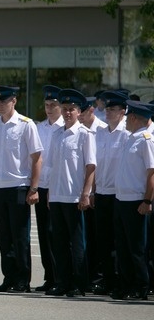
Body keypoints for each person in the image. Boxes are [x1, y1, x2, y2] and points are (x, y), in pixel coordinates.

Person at [0, 85, 43, 293]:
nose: (0, 105)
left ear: (14, 101)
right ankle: (8, 277)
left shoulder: (26, 125)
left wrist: (34, 187)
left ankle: (22, 279)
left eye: (4, 101)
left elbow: (37, 157)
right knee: (4, 236)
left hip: (18, 186)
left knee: (20, 237)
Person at [45, 89, 96, 297]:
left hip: (75, 196)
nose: (67, 113)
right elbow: (51, 166)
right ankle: (62, 282)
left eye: (72, 109)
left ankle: (78, 283)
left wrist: (86, 193)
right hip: (57, 195)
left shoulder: (85, 135)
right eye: (65, 109)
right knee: (59, 243)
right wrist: (49, 193)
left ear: (79, 112)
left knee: (77, 245)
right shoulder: (56, 135)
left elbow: (90, 166)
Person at [111, 100, 153, 300]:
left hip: (136, 200)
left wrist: (147, 201)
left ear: (135, 118)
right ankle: (126, 284)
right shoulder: (130, 138)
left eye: (128, 117)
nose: (126, 120)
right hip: (121, 199)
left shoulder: (146, 140)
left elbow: (152, 173)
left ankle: (141, 286)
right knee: (123, 246)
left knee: (137, 248)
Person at [92, 90, 130, 295]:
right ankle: (107, 280)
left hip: (119, 194)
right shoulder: (100, 132)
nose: (108, 112)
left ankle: (120, 281)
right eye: (107, 108)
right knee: (103, 240)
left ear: (123, 112)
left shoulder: (126, 134)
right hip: (102, 192)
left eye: (113, 109)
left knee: (119, 241)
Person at [33, 85, 64, 292]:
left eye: (53, 105)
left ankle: (60, 277)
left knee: (57, 235)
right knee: (44, 235)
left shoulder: (66, 127)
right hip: (42, 187)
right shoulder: (40, 128)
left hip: (59, 189)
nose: (50, 108)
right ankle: (49, 276)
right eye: (47, 105)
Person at [78, 95, 108, 286]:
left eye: (82, 111)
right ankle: (86, 276)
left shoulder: (102, 130)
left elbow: (99, 165)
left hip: (97, 192)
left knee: (98, 237)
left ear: (91, 110)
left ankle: (99, 277)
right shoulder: (76, 131)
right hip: (78, 192)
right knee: (84, 236)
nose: (78, 115)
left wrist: (93, 192)